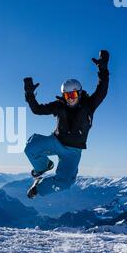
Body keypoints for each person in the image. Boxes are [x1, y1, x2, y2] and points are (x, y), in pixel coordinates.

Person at [23, 50, 110, 199]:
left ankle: (38, 187)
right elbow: (37, 110)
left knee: (65, 183)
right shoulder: (59, 105)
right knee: (30, 148)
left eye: (73, 95)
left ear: (79, 93)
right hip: (56, 142)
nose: (70, 99)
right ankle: (44, 166)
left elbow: (102, 90)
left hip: (73, 152)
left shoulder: (89, 105)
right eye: (67, 95)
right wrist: (30, 94)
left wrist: (103, 69)